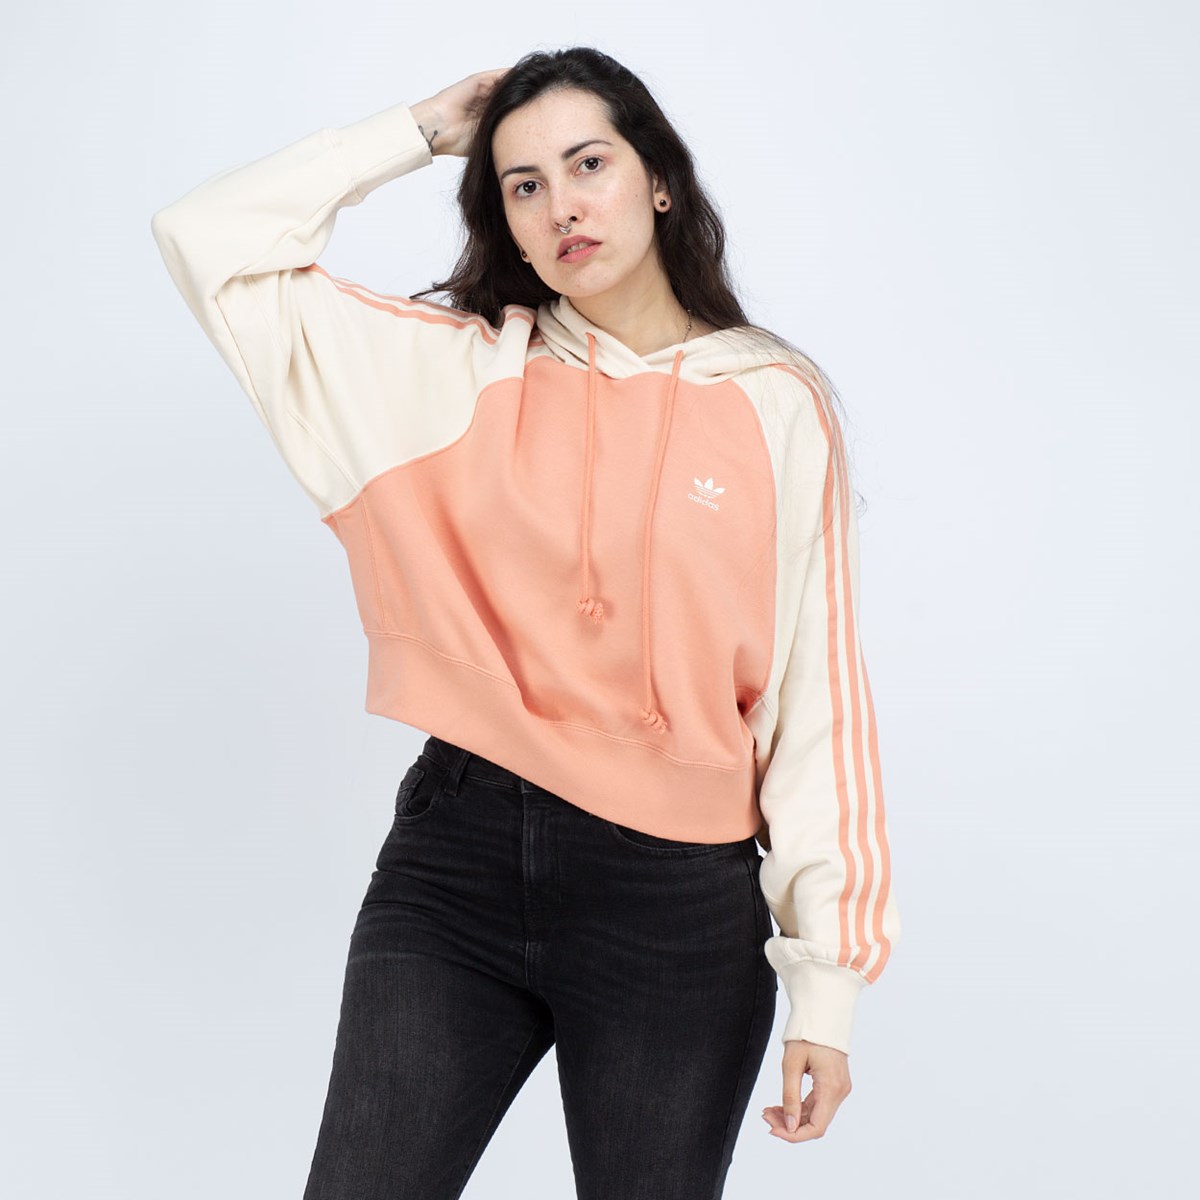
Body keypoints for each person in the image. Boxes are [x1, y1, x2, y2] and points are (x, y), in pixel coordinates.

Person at [151, 45, 901, 1199]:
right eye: (525, 185)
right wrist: (415, 129)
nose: (563, 207)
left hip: (676, 903)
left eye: (589, 164)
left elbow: (820, 699)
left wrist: (828, 989)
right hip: (459, 864)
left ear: (659, 179)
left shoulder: (775, 402)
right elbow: (205, 240)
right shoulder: (452, 374)